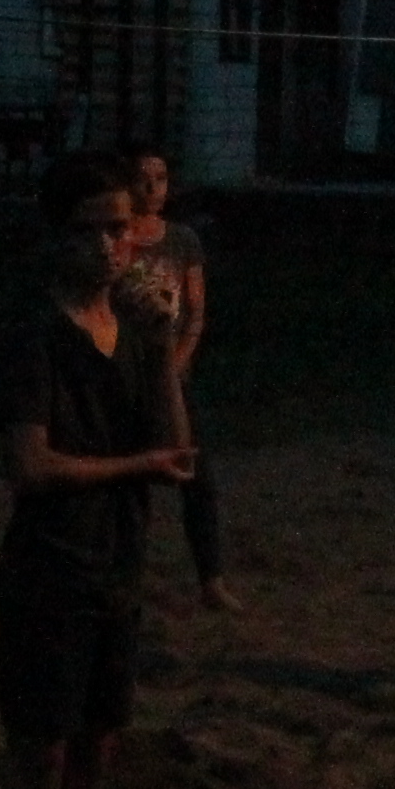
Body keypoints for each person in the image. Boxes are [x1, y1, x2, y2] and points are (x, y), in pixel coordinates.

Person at [0, 153, 202, 789]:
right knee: (36, 778)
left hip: (115, 573)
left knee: (87, 772)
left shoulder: (132, 331)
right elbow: (31, 466)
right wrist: (135, 465)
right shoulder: (38, 337)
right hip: (51, 577)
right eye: (98, 230)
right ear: (59, 237)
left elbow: (178, 452)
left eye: (123, 229)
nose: (117, 245)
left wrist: (164, 352)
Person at [113, 139, 240, 612]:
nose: (153, 188)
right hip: (125, 372)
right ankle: (125, 577)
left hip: (172, 375)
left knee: (197, 476)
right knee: (130, 482)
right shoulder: (117, 237)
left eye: (161, 179)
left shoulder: (182, 240)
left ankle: (211, 579)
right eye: (143, 179)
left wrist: (179, 361)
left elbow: (196, 312)